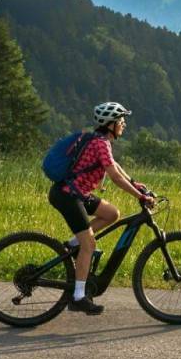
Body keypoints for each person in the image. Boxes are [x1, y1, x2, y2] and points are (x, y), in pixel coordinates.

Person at [49, 101, 154, 315]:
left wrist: (135, 183)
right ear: (111, 124)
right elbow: (114, 177)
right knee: (89, 244)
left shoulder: (102, 141)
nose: (124, 124)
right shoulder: (100, 143)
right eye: (121, 121)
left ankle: (72, 245)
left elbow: (115, 167)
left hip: (78, 194)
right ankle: (78, 297)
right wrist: (140, 196)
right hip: (68, 196)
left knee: (112, 214)